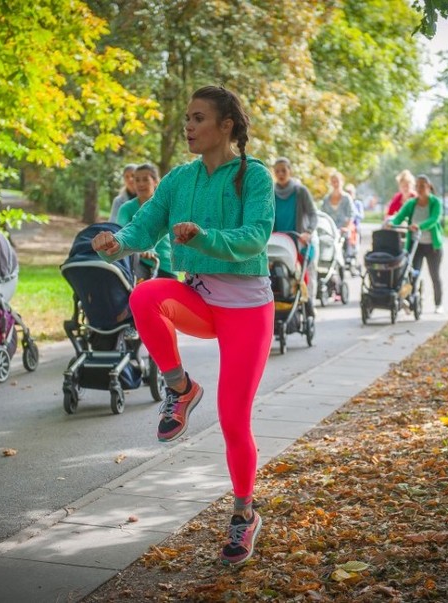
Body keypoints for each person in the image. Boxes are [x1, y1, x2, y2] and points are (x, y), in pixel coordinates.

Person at [92, 85, 274, 565]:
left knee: (234, 419)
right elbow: (146, 224)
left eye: (198, 118)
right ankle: (180, 388)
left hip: (248, 309)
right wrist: (119, 241)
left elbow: (256, 237)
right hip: (198, 297)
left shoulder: (252, 177)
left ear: (226, 125)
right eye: (187, 119)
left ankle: (243, 514)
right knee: (145, 294)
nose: (188, 127)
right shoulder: (179, 179)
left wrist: (206, 235)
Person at [386, 174, 444, 313]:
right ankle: (409, 300)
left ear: (429, 187)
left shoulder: (435, 202)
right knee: (411, 274)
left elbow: (434, 219)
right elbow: (399, 217)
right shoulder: (411, 203)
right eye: (417, 186)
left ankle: (438, 304)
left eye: (422, 186)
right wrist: (392, 224)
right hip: (415, 245)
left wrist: (419, 226)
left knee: (434, 275)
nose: (419, 189)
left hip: (432, 245)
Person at [115, 163, 178, 280]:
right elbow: (121, 233)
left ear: (155, 181)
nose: (141, 184)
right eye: (137, 180)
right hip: (139, 263)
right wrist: (143, 248)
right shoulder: (126, 208)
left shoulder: (166, 206)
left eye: (145, 179)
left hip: (166, 264)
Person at [272, 157, 318, 312]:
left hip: (299, 240)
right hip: (278, 243)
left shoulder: (300, 191)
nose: (281, 174)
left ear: (290, 171)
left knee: (303, 270)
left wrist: (308, 232)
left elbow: (312, 214)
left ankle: (308, 301)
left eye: (284, 170)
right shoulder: (271, 192)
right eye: (277, 171)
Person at [321, 170, 357, 265]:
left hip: (342, 229)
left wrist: (346, 227)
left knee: (344, 238)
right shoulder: (326, 199)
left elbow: (351, 214)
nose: (335, 183)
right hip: (329, 230)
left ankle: (345, 260)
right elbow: (323, 215)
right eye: (333, 181)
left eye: (337, 181)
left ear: (342, 182)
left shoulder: (346, 198)